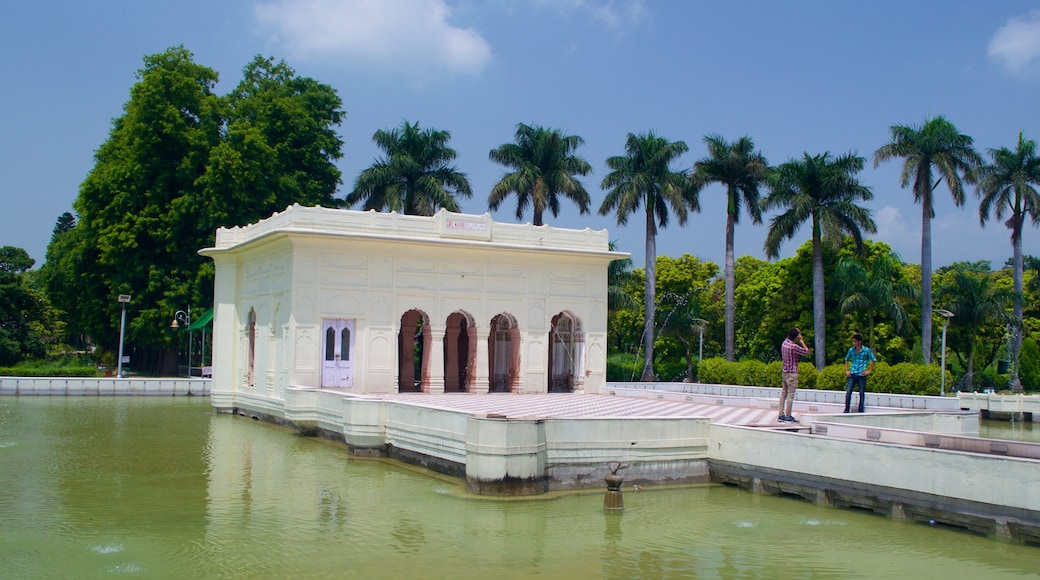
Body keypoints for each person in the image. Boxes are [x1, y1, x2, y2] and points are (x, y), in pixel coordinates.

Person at [779, 328, 810, 422]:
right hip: (792, 373)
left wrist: (796, 332)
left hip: (784, 371)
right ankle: (788, 415)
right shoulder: (793, 346)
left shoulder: (784, 343)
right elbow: (807, 352)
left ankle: (781, 414)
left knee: (784, 393)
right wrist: (802, 341)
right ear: (796, 337)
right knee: (790, 394)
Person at [844, 333, 876, 413]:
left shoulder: (866, 350)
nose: (853, 343)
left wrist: (869, 370)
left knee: (861, 392)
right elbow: (846, 359)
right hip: (853, 373)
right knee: (848, 392)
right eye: (853, 341)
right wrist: (846, 370)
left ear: (859, 342)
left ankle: (861, 409)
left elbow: (873, 359)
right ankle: (847, 409)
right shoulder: (851, 350)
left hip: (861, 374)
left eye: (855, 341)